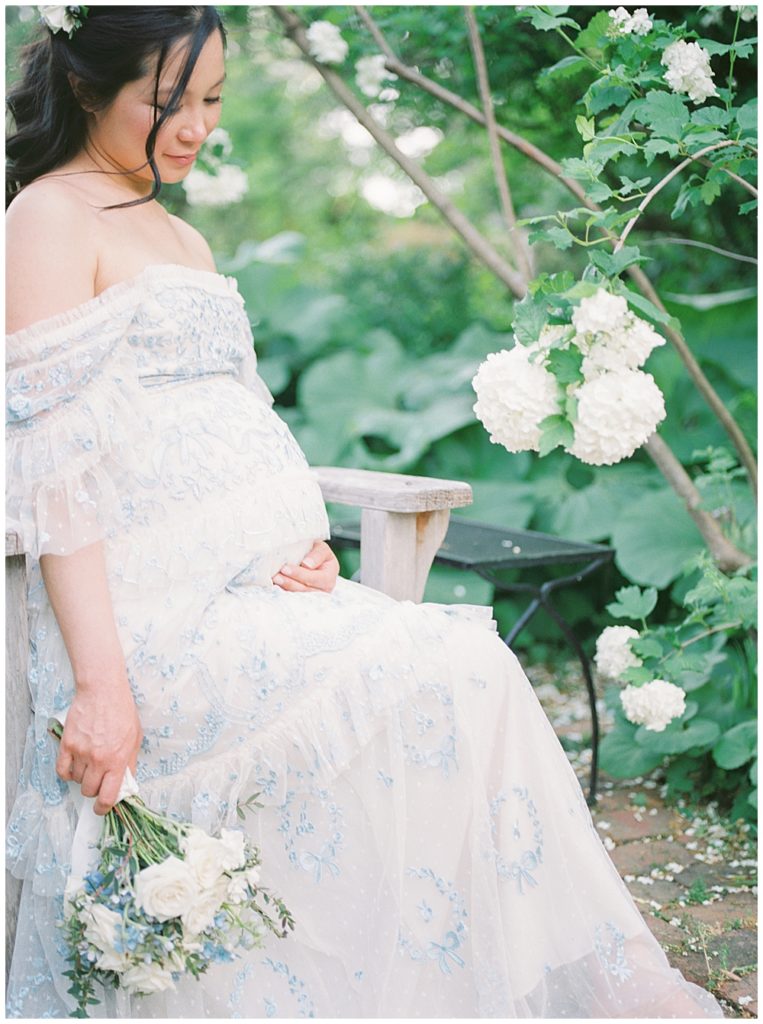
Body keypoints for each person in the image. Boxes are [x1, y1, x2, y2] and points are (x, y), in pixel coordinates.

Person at [5, 7, 724, 1019]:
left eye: (213, 100)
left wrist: (292, 529)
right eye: (169, 101)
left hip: (262, 587)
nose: (197, 127)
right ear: (87, 88)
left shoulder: (180, 230)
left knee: (468, 670)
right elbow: (51, 469)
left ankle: (491, 987)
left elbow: (230, 410)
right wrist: (100, 685)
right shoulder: (48, 218)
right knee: (452, 667)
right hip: (146, 624)